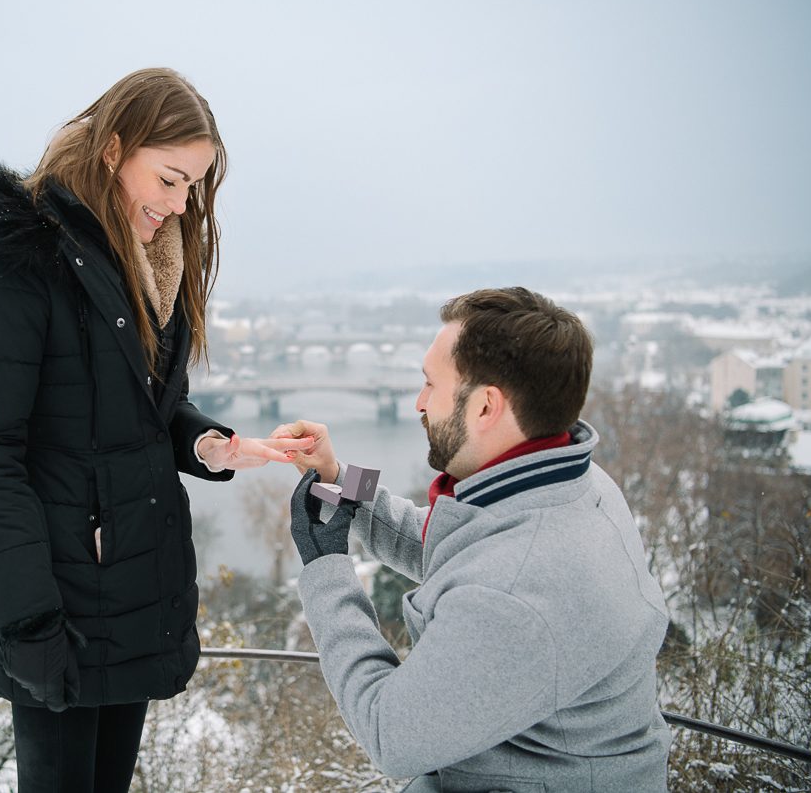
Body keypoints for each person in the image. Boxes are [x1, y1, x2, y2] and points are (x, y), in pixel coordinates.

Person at [0, 68, 310, 792]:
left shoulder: (145, 266)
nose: (178, 206)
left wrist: (206, 442)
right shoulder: (23, 266)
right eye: (169, 180)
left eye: (192, 188)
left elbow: (139, 406)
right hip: (59, 610)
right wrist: (32, 624)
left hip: (134, 595)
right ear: (114, 149)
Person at [276, 287, 672, 793]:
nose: (418, 403)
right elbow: (454, 551)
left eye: (429, 385)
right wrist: (340, 477)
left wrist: (325, 567)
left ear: (486, 406)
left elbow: (390, 734)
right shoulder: (573, 485)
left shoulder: (518, 589)